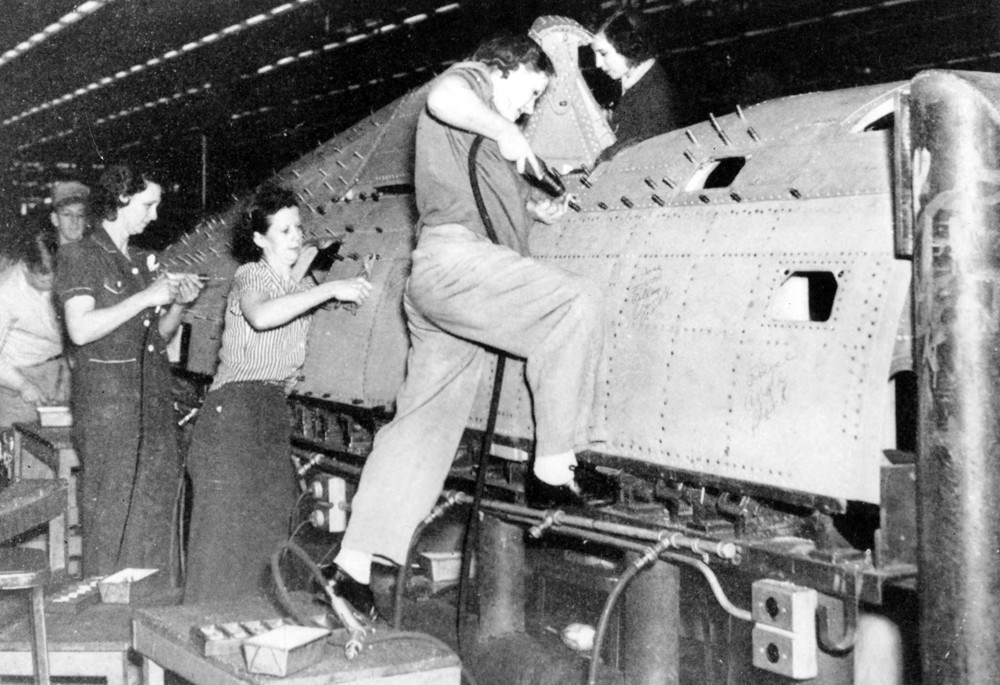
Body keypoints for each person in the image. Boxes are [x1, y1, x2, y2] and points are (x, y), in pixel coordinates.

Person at [329, 32, 612, 619]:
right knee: (574, 304)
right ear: (505, 69)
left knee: (421, 428)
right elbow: (443, 97)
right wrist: (506, 129)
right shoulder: (471, 86)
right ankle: (554, 467)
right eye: (531, 92)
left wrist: (539, 205)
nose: (530, 108)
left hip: (440, 286)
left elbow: (482, 193)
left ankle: (349, 570)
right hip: (458, 266)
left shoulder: (476, 138)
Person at [183, 183, 372, 604]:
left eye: (298, 227)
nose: (296, 237)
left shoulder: (292, 286)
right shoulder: (250, 275)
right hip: (233, 415)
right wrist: (328, 290)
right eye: (283, 231)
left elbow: (294, 281)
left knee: (276, 533)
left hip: (269, 414)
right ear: (258, 239)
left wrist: (313, 271)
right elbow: (262, 316)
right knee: (221, 549)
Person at [55, 161, 204, 583]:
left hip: (153, 408)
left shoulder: (142, 260)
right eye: (148, 204)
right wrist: (146, 299)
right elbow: (81, 330)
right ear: (120, 200)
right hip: (109, 414)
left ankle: (146, 613)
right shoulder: (80, 255)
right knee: (113, 520)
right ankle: (106, 620)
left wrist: (178, 303)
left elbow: (158, 335)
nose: (154, 215)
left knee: (154, 516)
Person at [0, 222, 68, 430]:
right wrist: (24, 385)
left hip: (59, 373)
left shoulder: (64, 274)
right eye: (43, 282)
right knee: (18, 451)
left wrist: (68, 366)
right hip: (17, 381)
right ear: (26, 267)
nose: (51, 287)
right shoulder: (5, 291)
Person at [591, 8, 678, 161]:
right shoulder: (633, 77)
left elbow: (639, 150)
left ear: (627, 46)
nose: (597, 63)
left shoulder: (653, 94)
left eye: (603, 53)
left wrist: (602, 158)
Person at [49, 180, 90, 245]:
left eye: (80, 215)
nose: (75, 220)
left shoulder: (98, 253)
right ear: (55, 219)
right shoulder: (42, 254)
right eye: (67, 214)